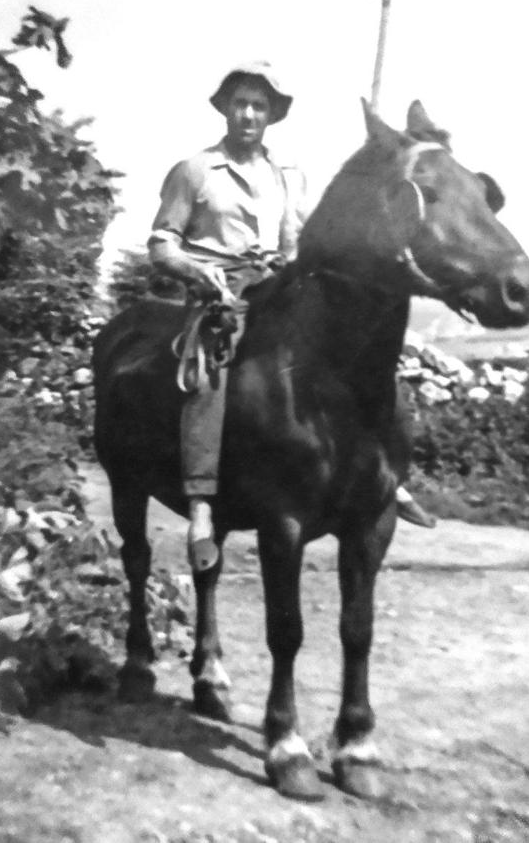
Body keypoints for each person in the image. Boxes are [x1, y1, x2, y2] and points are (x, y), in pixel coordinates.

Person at [148, 60, 435, 573]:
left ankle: (382, 473)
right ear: (226, 109)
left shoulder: (287, 173)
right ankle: (200, 502)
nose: (249, 114)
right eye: (240, 103)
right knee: (214, 369)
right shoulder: (194, 171)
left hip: (276, 285)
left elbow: (297, 238)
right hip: (219, 292)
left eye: (259, 105)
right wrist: (196, 271)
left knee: (345, 348)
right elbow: (162, 243)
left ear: (272, 115)